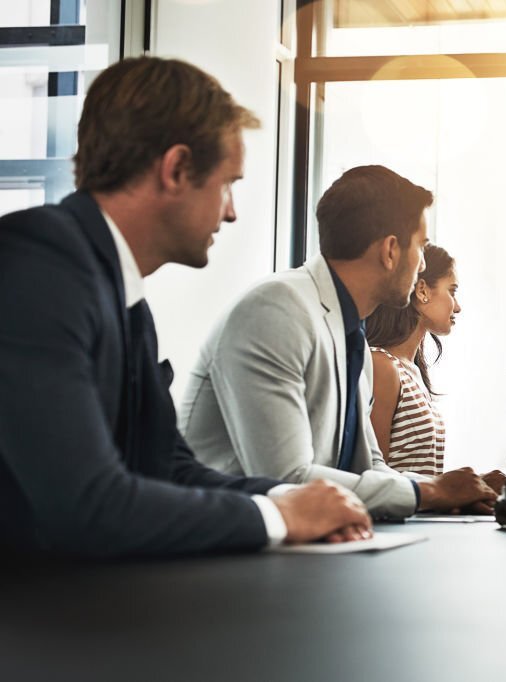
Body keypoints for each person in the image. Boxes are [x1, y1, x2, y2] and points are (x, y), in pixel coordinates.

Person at [0, 57, 371, 557]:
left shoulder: (120, 295)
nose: (233, 211)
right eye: (228, 184)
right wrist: (280, 517)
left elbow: (168, 468)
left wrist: (293, 499)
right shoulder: (38, 268)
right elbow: (87, 506)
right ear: (175, 169)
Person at [180, 165, 499, 518]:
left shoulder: (351, 337)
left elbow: (369, 469)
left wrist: (459, 490)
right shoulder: (276, 310)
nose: (422, 263)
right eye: (421, 247)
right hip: (231, 553)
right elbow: (285, 480)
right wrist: (432, 490)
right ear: (391, 250)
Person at [366, 243, 458, 476]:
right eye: (452, 291)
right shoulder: (382, 366)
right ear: (422, 291)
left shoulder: (413, 371)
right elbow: (375, 477)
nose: (457, 307)